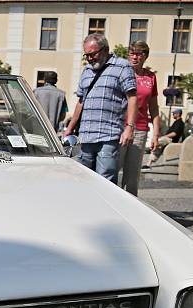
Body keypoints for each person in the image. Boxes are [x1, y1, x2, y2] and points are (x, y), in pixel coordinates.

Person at [62, 33, 137, 184]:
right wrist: (69, 128)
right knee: (82, 181)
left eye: (93, 54)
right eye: (86, 55)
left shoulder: (122, 67)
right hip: (85, 137)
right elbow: (81, 102)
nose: (89, 59)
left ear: (105, 49)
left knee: (105, 181)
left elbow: (132, 98)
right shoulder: (87, 71)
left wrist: (129, 127)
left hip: (108, 136)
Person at [117, 41, 160, 196]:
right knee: (113, 169)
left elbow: (154, 108)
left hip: (140, 129)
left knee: (132, 175)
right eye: (132, 53)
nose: (135, 57)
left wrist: (155, 134)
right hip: (119, 127)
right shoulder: (121, 72)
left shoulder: (151, 77)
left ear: (145, 56)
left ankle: (131, 209)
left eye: (139, 53)